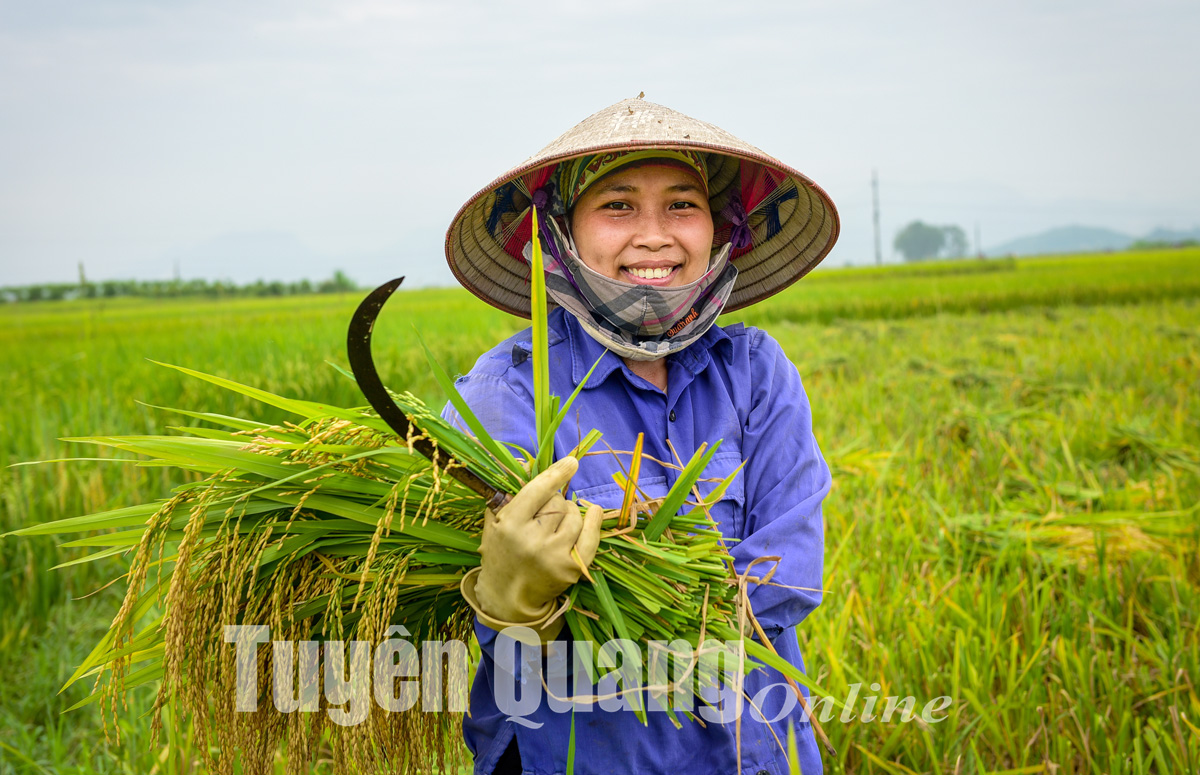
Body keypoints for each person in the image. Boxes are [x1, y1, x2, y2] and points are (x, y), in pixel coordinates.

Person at [441, 97, 839, 775]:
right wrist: (516, 606)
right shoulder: (506, 396)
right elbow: (499, 629)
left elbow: (789, 574)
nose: (654, 236)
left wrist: (606, 610)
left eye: (682, 204)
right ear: (562, 232)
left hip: (755, 753)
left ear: (718, 227)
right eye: (618, 205)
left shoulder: (755, 373)